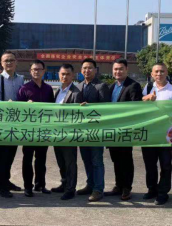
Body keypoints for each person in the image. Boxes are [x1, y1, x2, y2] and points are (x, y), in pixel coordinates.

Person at [141, 63, 172, 205]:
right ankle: (152, 189)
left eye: (162, 71)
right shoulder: (147, 88)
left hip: (166, 133)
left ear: (167, 73)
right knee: (150, 164)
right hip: (149, 133)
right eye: (156, 72)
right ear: (152, 74)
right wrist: (145, 99)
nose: (159, 74)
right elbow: (138, 109)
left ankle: (163, 192)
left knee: (165, 164)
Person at [105, 58, 142, 201]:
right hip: (113, 130)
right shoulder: (111, 87)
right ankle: (118, 185)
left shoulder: (133, 86)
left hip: (125, 129)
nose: (118, 71)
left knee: (126, 159)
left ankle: (127, 187)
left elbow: (135, 107)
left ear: (127, 69)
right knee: (115, 159)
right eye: (115, 69)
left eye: (121, 69)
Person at [16, 59, 55, 197]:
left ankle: (40, 184)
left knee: (41, 159)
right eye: (34, 69)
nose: (36, 72)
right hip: (28, 130)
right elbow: (18, 111)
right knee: (27, 159)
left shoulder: (48, 89)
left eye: (39, 69)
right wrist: (26, 105)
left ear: (44, 71)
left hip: (43, 129)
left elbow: (53, 109)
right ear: (30, 71)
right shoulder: (24, 89)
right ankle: (28, 186)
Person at [0, 51, 25, 198]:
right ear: (1, 63)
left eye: (11, 60)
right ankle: (1, 185)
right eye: (6, 61)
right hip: (3, 122)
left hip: (16, 122)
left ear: (16, 62)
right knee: (2, 155)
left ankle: (6, 181)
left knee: (11, 154)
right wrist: (6, 104)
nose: (9, 63)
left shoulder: (21, 79)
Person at [76, 58, 111, 202]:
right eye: (84, 68)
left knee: (97, 161)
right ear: (81, 70)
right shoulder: (78, 86)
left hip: (96, 131)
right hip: (82, 131)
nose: (87, 70)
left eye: (90, 68)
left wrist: (89, 107)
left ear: (95, 70)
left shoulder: (101, 86)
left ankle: (98, 189)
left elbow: (106, 108)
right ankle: (90, 184)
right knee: (86, 160)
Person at [51, 64, 83, 200]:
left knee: (70, 162)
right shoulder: (58, 91)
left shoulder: (76, 93)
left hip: (69, 134)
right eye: (62, 74)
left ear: (73, 75)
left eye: (68, 74)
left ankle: (70, 189)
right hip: (57, 132)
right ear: (59, 75)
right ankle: (64, 183)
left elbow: (78, 115)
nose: (65, 76)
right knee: (60, 160)